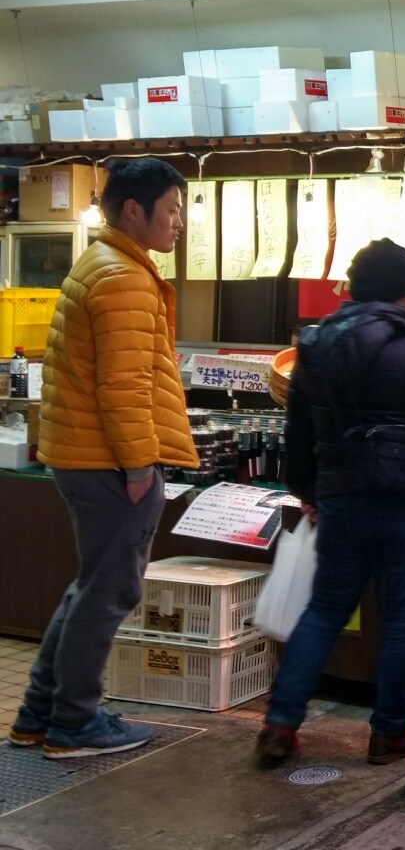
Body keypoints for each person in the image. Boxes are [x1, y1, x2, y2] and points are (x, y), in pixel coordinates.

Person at [8, 158, 197, 758]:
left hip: (87, 456)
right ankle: (74, 723)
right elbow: (123, 386)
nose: (179, 223)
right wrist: (140, 464)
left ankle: (41, 713)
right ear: (134, 211)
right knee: (110, 591)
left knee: (92, 586)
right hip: (109, 464)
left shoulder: (106, 264)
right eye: (171, 210)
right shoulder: (124, 278)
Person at [254, 239, 405, 768]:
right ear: (402, 294)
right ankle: (390, 732)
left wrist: (306, 491)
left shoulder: (317, 345)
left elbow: (296, 429)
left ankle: (280, 723)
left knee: (324, 610)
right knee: (401, 620)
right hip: (404, 499)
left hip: (340, 499)